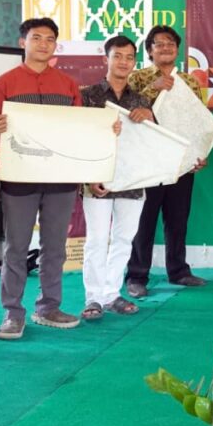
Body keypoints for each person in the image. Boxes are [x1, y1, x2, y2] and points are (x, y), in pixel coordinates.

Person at [0, 18, 91, 339]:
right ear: (23, 42)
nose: (43, 44)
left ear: (56, 44)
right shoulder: (3, 84)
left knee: (55, 247)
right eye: (36, 38)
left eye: (49, 39)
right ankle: (12, 313)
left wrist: (103, 130)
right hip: (19, 178)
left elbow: (78, 131)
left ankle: (48, 307)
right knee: (16, 247)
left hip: (61, 179)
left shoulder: (68, 85)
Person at [126, 25, 207, 296]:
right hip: (147, 160)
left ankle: (179, 271)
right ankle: (137, 275)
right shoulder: (137, 78)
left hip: (180, 161)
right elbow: (126, 111)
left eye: (171, 43)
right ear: (149, 51)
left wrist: (199, 154)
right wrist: (154, 88)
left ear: (178, 49)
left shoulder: (190, 82)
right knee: (144, 221)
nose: (165, 47)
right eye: (159, 44)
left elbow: (198, 122)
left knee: (178, 219)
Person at [79, 36, 154, 320]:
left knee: (124, 239)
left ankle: (111, 294)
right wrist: (89, 177)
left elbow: (151, 142)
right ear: (105, 59)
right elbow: (79, 138)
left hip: (133, 179)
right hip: (98, 179)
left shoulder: (141, 100)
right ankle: (93, 297)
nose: (123, 62)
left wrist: (150, 118)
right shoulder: (88, 96)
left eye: (129, 57)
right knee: (97, 239)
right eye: (117, 56)